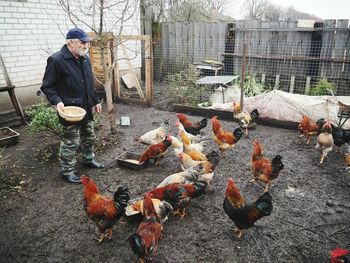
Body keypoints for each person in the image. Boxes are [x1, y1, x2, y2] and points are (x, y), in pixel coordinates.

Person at [41, 28, 105, 184]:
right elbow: (47, 86)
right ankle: (67, 171)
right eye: (82, 42)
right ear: (70, 42)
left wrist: (95, 100)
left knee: (89, 136)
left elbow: (88, 83)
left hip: (86, 108)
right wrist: (57, 101)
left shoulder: (85, 59)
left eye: (86, 42)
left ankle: (88, 160)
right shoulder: (56, 60)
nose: (85, 45)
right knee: (71, 142)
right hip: (70, 110)